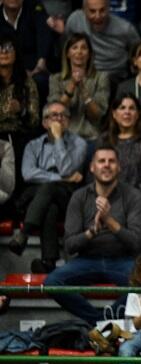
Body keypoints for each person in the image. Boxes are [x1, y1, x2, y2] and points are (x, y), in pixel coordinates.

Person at [44, 144, 141, 325]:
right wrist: (91, 232)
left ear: (119, 167)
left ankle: (103, 322)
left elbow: (136, 242)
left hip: (122, 260)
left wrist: (109, 221)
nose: (106, 165)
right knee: (52, 282)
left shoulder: (133, 195)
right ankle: (99, 321)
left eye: (111, 161)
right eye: (101, 161)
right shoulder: (79, 196)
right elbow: (70, 245)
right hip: (87, 260)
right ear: (92, 167)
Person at [11, 102, 87, 274]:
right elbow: (28, 174)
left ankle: (24, 234)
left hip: (66, 196)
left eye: (63, 115)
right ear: (45, 122)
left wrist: (58, 139)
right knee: (49, 205)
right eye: (54, 115)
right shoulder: (32, 145)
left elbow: (66, 169)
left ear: (68, 121)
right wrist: (60, 178)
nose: (58, 119)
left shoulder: (79, 144)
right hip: (35, 195)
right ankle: (49, 262)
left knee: (50, 191)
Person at [60, 0, 141, 83]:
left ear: (108, 9)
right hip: (83, 74)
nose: (98, 16)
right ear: (84, 10)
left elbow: (139, 53)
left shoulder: (125, 29)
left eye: (102, 10)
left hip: (114, 77)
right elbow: (66, 47)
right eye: (92, 11)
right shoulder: (75, 20)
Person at [101, 92, 141, 205]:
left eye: (132, 108)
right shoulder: (104, 140)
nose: (127, 112)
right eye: (122, 108)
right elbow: (95, 175)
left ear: (137, 114)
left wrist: (127, 197)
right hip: (106, 199)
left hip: (137, 201)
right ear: (114, 114)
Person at [48, 33, 109, 142]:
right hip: (62, 136)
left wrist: (84, 92)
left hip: (91, 137)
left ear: (89, 54)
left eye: (84, 48)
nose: (79, 52)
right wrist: (71, 86)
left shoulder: (101, 78)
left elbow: (97, 115)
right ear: (67, 53)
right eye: (74, 47)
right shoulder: (56, 79)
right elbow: (55, 113)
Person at [0, 34, 39, 177]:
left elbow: (34, 121)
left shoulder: (27, 83)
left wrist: (21, 111)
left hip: (16, 137)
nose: (4, 52)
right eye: (0, 48)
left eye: (9, 48)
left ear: (16, 53)